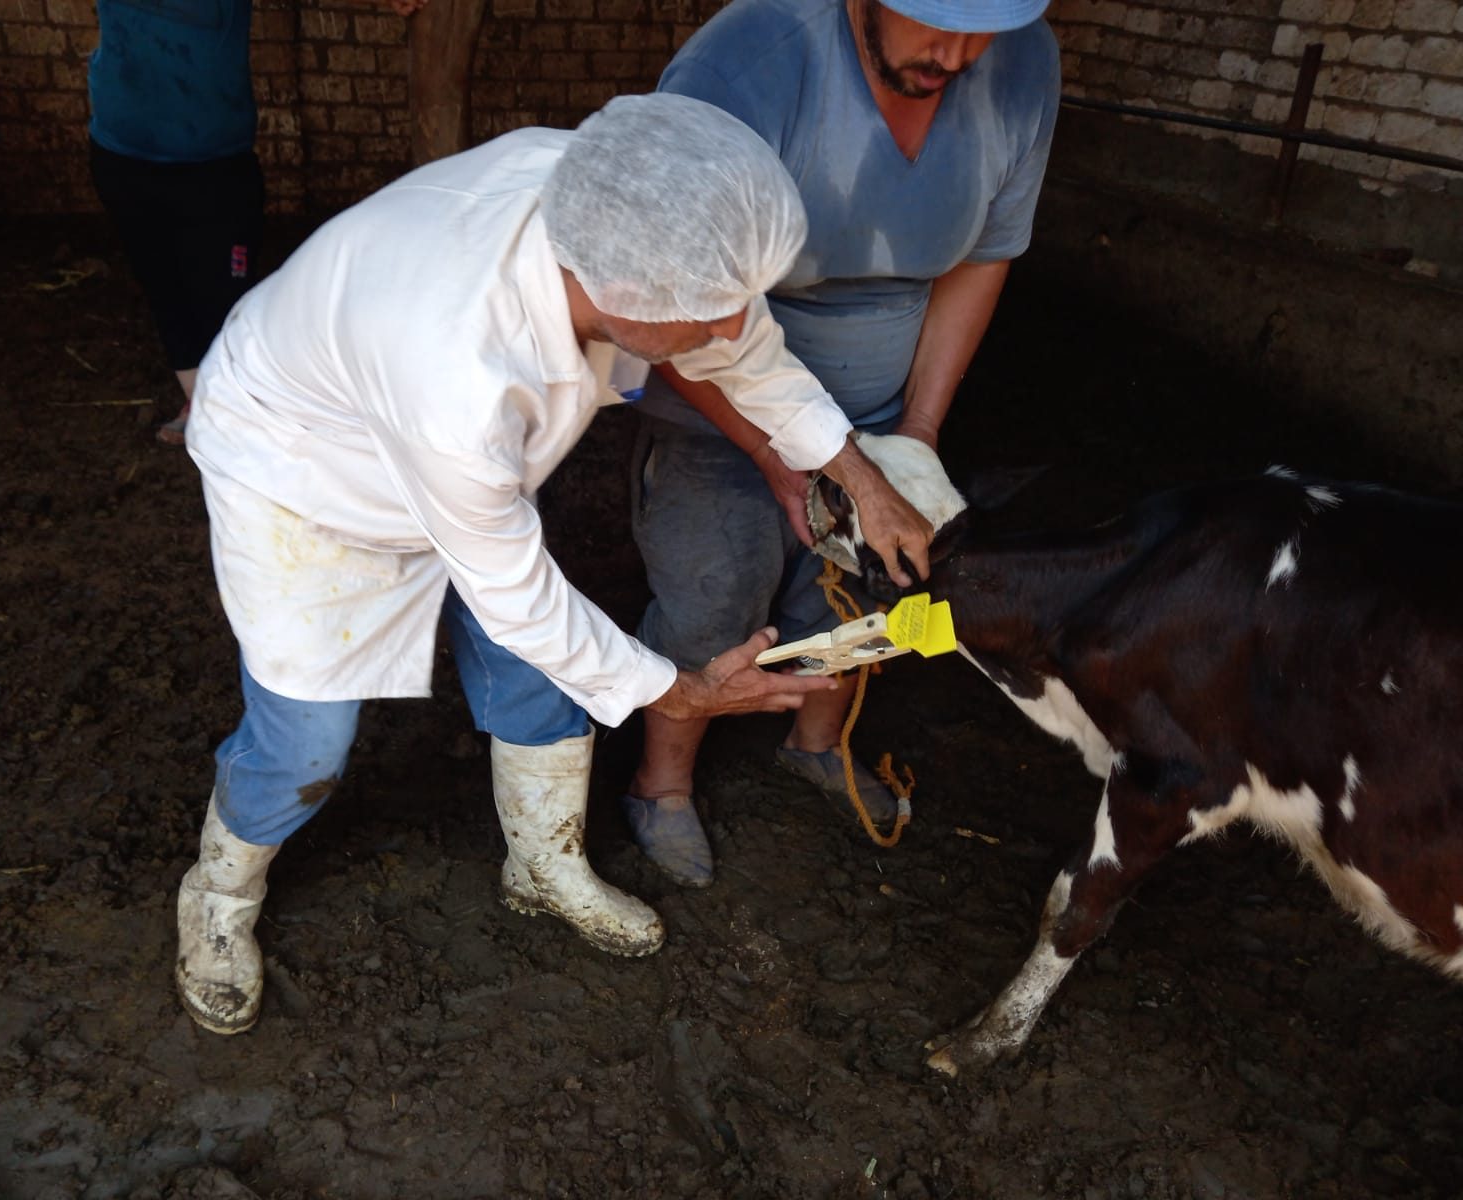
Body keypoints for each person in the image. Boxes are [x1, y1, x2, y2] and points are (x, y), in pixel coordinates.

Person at [174, 92, 936, 1035]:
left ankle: (545, 864)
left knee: (543, 676)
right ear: (620, 295)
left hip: (444, 447)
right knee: (308, 744)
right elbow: (520, 595)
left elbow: (739, 347)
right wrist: (682, 690)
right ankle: (220, 894)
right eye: (712, 312)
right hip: (303, 471)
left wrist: (860, 475)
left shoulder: (608, 201)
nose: (737, 327)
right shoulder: (461, 370)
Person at [622, 0, 1061, 886]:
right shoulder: (745, 67)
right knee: (717, 590)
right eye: (935, 18)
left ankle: (816, 744)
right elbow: (655, 304)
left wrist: (916, 439)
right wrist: (768, 450)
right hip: (720, 397)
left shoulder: (1021, 65)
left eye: (989, 28)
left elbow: (984, 258)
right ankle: (659, 782)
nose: (961, 52)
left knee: (880, 587)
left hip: (882, 401)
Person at [87, 0, 267, 445]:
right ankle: (200, 404)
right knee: (164, 287)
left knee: (227, 301)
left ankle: (245, 412)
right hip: (122, 150)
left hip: (214, 160)